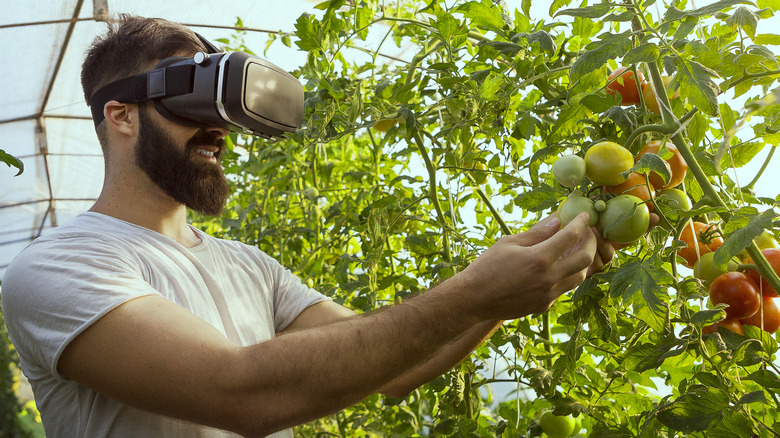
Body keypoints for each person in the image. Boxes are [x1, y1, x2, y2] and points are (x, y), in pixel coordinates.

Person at [1, 15, 615, 438]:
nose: (219, 131)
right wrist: (478, 292)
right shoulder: (57, 266)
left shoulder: (249, 265)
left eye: (225, 114)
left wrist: (524, 277)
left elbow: (398, 365)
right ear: (122, 115)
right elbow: (240, 395)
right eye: (192, 105)